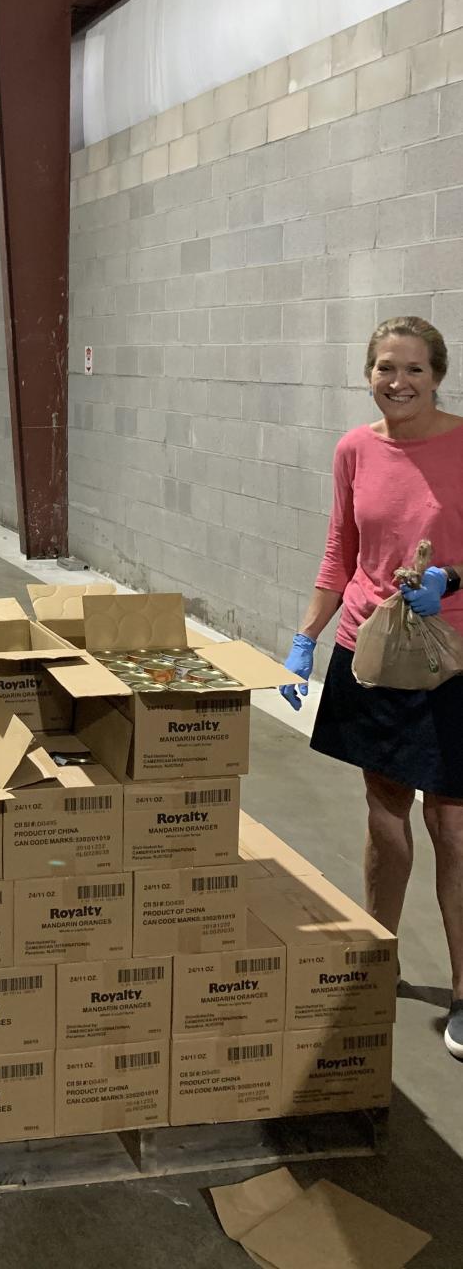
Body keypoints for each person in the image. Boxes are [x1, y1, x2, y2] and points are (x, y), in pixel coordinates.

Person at [280, 316, 463, 1060]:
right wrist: (304, 638)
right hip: (371, 654)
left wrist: (455, 581)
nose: (398, 382)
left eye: (413, 369)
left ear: (438, 374)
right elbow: (340, 551)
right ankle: (376, 953)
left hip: (450, 661)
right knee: (384, 815)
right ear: (368, 373)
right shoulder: (354, 449)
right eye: (385, 368)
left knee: (452, 827)